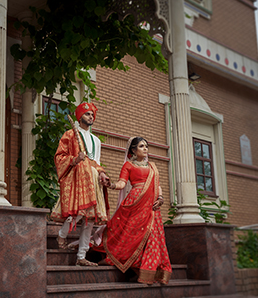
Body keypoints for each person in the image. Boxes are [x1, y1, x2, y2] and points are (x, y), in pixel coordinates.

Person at [93, 136, 172, 284]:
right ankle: (133, 266)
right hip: (135, 202)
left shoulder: (153, 166)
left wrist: (160, 198)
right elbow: (122, 184)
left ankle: (149, 271)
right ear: (133, 150)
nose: (145, 149)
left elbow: (158, 185)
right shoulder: (128, 165)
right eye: (141, 146)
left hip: (152, 205)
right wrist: (110, 185)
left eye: (146, 146)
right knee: (132, 235)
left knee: (151, 237)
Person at [50, 102, 110, 267]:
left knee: (90, 219)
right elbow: (59, 157)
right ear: (79, 116)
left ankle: (81, 256)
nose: (90, 117)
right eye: (87, 114)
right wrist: (74, 159)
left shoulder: (96, 140)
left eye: (92, 114)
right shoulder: (70, 135)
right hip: (78, 179)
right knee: (79, 213)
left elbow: (96, 162)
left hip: (93, 179)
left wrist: (102, 173)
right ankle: (62, 234)